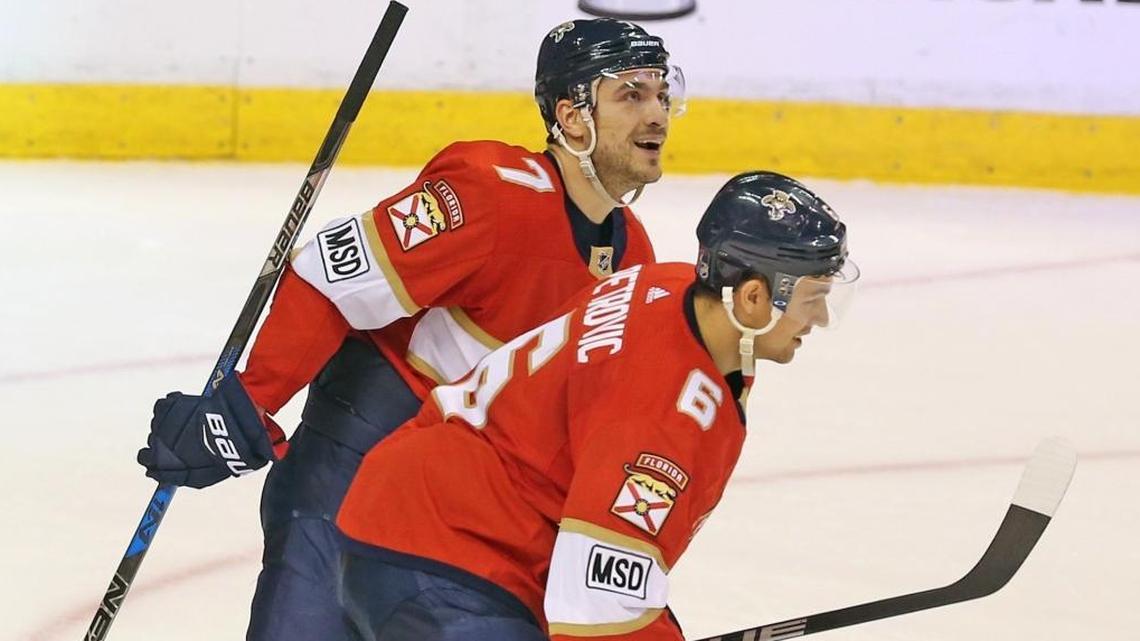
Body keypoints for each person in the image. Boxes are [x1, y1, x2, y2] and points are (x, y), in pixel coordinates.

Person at [136, 17, 685, 641]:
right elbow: (331, 275)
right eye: (632, 95)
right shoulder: (491, 195)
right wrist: (245, 403)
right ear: (572, 113)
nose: (658, 115)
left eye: (663, 95)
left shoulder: (633, 256)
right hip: (351, 472)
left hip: (458, 512)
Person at [334, 171, 860, 640]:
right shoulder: (659, 414)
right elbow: (595, 606)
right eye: (814, 297)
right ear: (751, 297)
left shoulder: (669, 286)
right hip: (443, 554)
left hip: (436, 520)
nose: (819, 319)